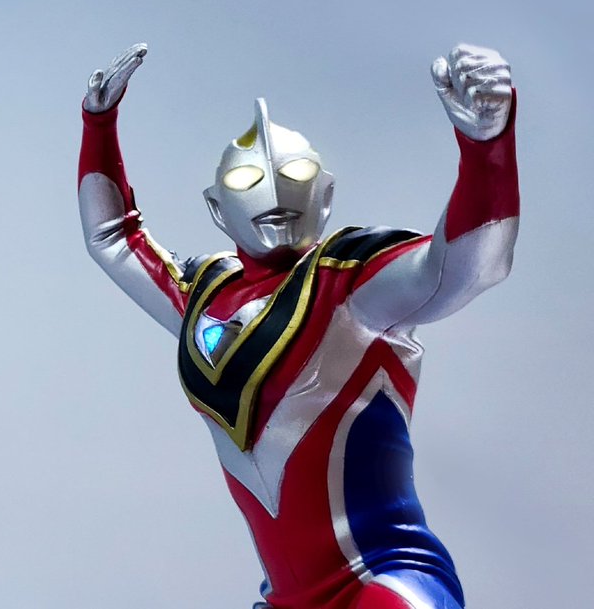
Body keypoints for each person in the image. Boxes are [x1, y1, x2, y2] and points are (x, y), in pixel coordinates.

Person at [77, 42, 517, 608]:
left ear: (324, 194)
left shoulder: (350, 280)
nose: (273, 192)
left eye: (296, 172)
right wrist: (98, 123)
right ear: (217, 208)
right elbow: (114, 239)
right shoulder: (203, 295)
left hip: (382, 586)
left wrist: (486, 145)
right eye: (246, 180)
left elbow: (466, 267)